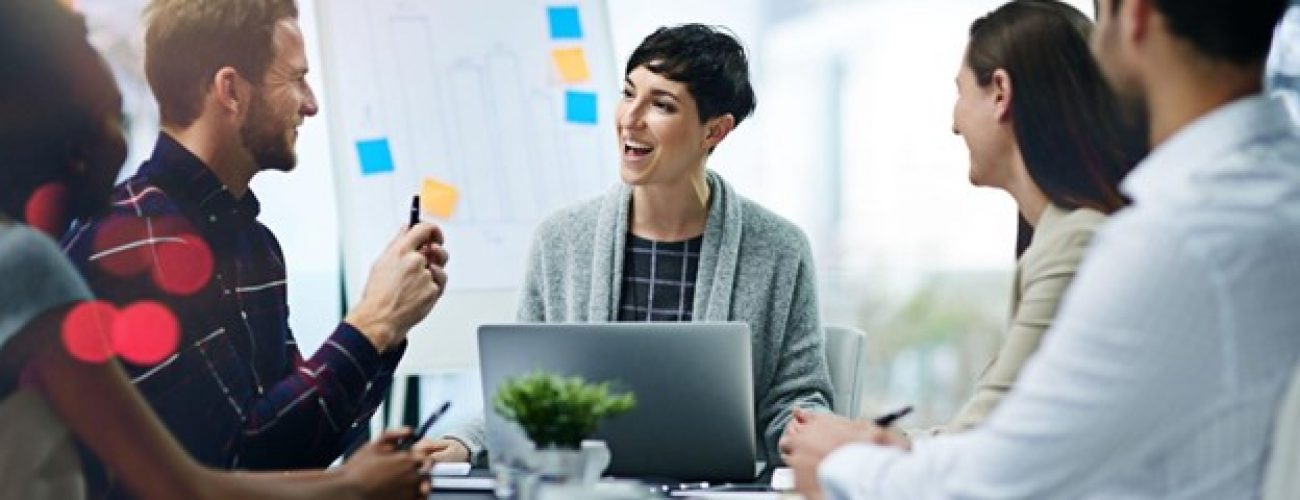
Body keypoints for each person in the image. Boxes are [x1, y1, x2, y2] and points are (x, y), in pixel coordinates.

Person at [782, 0, 1300, 497]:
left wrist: (844, 463)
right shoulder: (1268, 203)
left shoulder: (1172, 242)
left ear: (1135, 13)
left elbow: (996, 484)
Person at [0, 0, 424, 498]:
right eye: (295, 79)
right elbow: (212, 474)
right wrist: (373, 324)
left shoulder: (256, 244)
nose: (310, 104)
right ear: (230, 89)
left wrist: (382, 332)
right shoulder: (133, 244)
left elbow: (294, 440)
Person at [421, 24, 834, 465]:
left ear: (713, 132)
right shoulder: (560, 241)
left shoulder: (779, 250)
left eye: (661, 104)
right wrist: (466, 443)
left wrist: (809, 434)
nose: (630, 118)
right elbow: (525, 398)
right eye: (628, 93)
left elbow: (796, 398)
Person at [936, 0, 1145, 437]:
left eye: (959, 93)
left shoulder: (1077, 241)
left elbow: (984, 440)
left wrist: (852, 451)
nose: (954, 124)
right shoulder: (1067, 233)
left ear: (1000, 93)